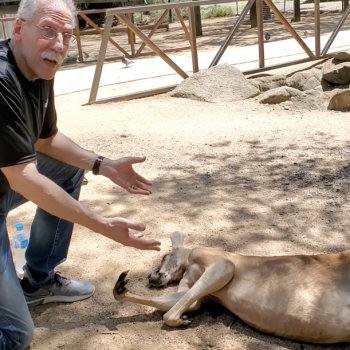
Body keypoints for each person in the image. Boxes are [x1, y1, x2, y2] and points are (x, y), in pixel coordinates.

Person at [0, 0, 161, 349]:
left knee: (69, 170)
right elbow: (25, 178)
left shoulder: (38, 68)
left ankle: (38, 282)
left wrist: (102, 165)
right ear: (18, 28)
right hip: (8, 182)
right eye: (47, 30)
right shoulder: (1, 80)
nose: (58, 44)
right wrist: (104, 226)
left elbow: (46, 138)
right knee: (16, 335)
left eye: (66, 35)